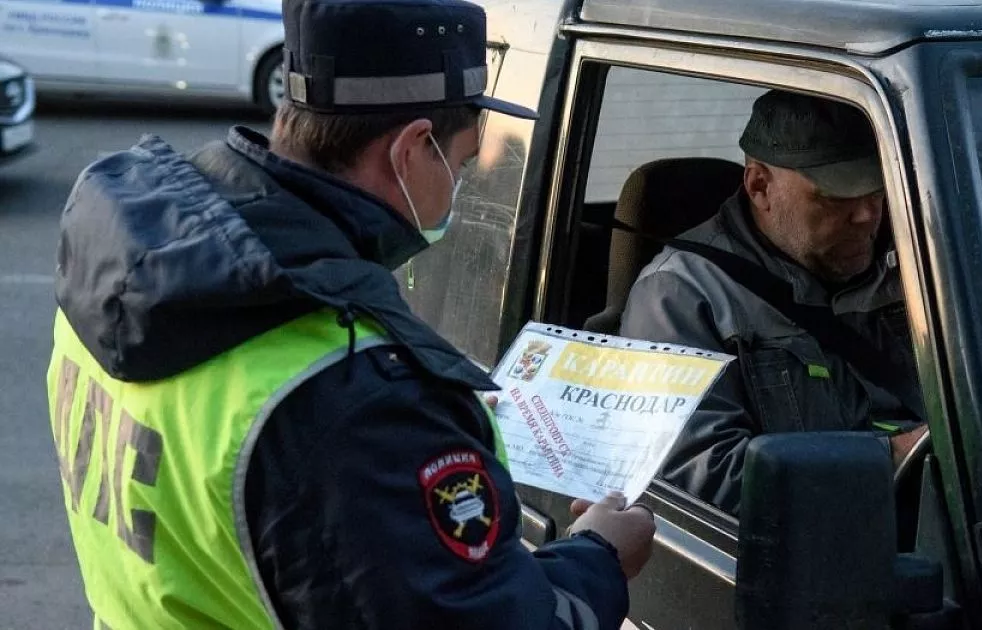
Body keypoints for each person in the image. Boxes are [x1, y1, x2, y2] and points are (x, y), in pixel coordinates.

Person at [44, 0, 654, 628]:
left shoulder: (131, 282)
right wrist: (600, 556)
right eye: (463, 162)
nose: (461, 182)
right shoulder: (358, 404)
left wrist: (425, 416)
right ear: (412, 148)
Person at [619, 90, 928, 515]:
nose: (867, 216)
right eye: (837, 197)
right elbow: (701, 481)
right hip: (819, 543)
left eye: (877, 191)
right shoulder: (680, 295)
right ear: (760, 186)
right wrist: (893, 458)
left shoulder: (915, 263)